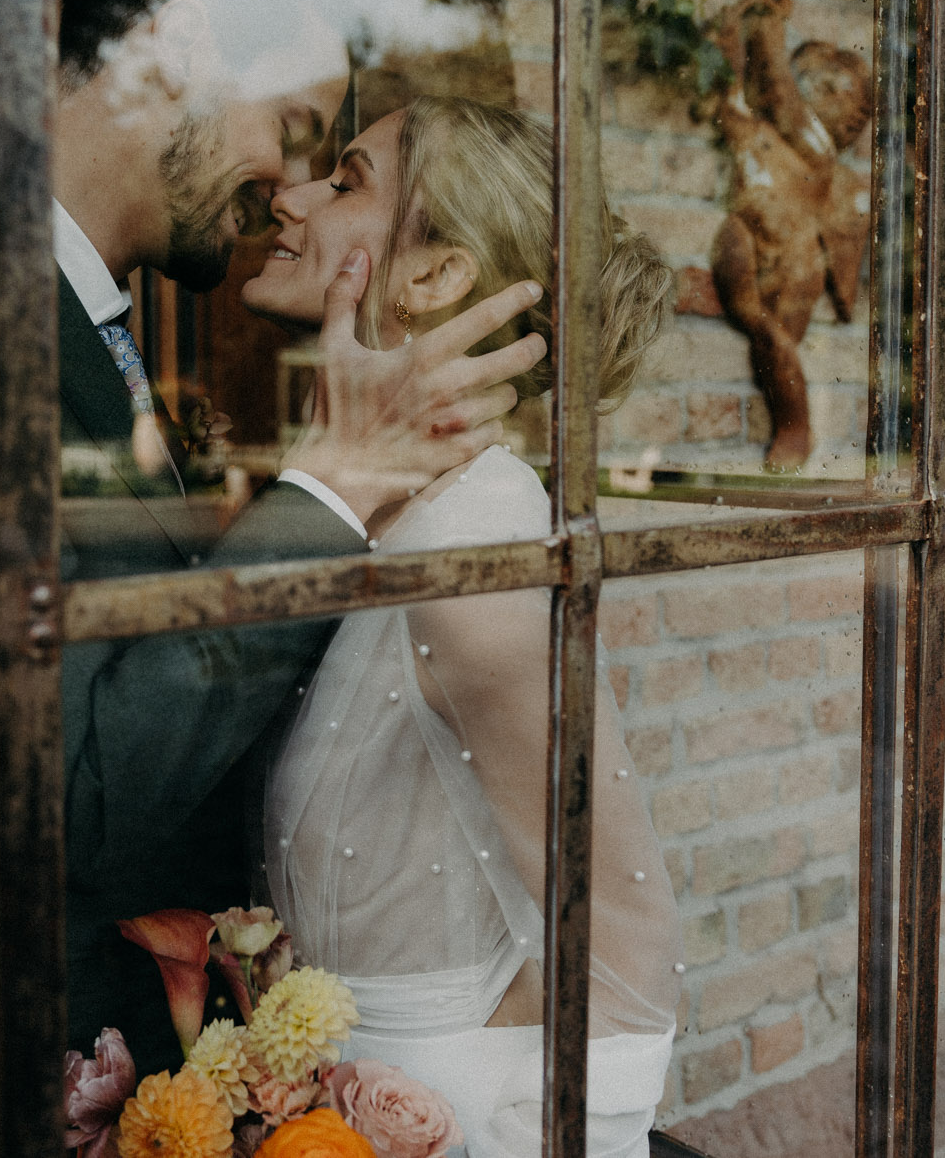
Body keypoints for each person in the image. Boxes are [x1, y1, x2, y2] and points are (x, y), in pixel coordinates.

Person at [0, 0, 548, 1150]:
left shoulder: (79, 330)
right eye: (287, 131)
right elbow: (53, 790)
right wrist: (325, 490)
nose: (284, 189)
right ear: (166, 57)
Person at [257, 97, 681, 1158]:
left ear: (434, 276)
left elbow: (625, 951)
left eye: (344, 180)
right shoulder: (364, 513)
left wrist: (484, 1116)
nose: (290, 195)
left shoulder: (478, 538)